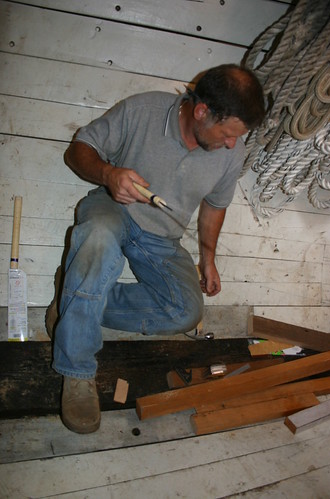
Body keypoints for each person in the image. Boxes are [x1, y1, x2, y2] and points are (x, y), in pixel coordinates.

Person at [49, 63, 265, 433]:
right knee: (98, 236)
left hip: (162, 238)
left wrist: (208, 260)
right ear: (201, 111)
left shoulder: (233, 152)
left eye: (237, 137)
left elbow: (215, 205)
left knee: (185, 312)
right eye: (228, 134)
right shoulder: (143, 110)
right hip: (114, 209)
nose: (232, 145)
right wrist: (108, 174)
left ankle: (74, 299)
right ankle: (77, 370)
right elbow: (78, 151)